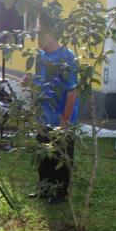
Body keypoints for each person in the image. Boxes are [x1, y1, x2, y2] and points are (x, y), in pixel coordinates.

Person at [29, 26, 79, 204]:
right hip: (43, 116)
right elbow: (38, 81)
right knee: (43, 154)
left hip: (61, 117)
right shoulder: (40, 57)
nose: (37, 40)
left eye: (40, 36)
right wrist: (29, 81)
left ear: (50, 35)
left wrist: (64, 120)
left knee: (61, 156)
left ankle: (59, 193)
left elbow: (73, 92)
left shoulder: (67, 57)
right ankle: (44, 188)